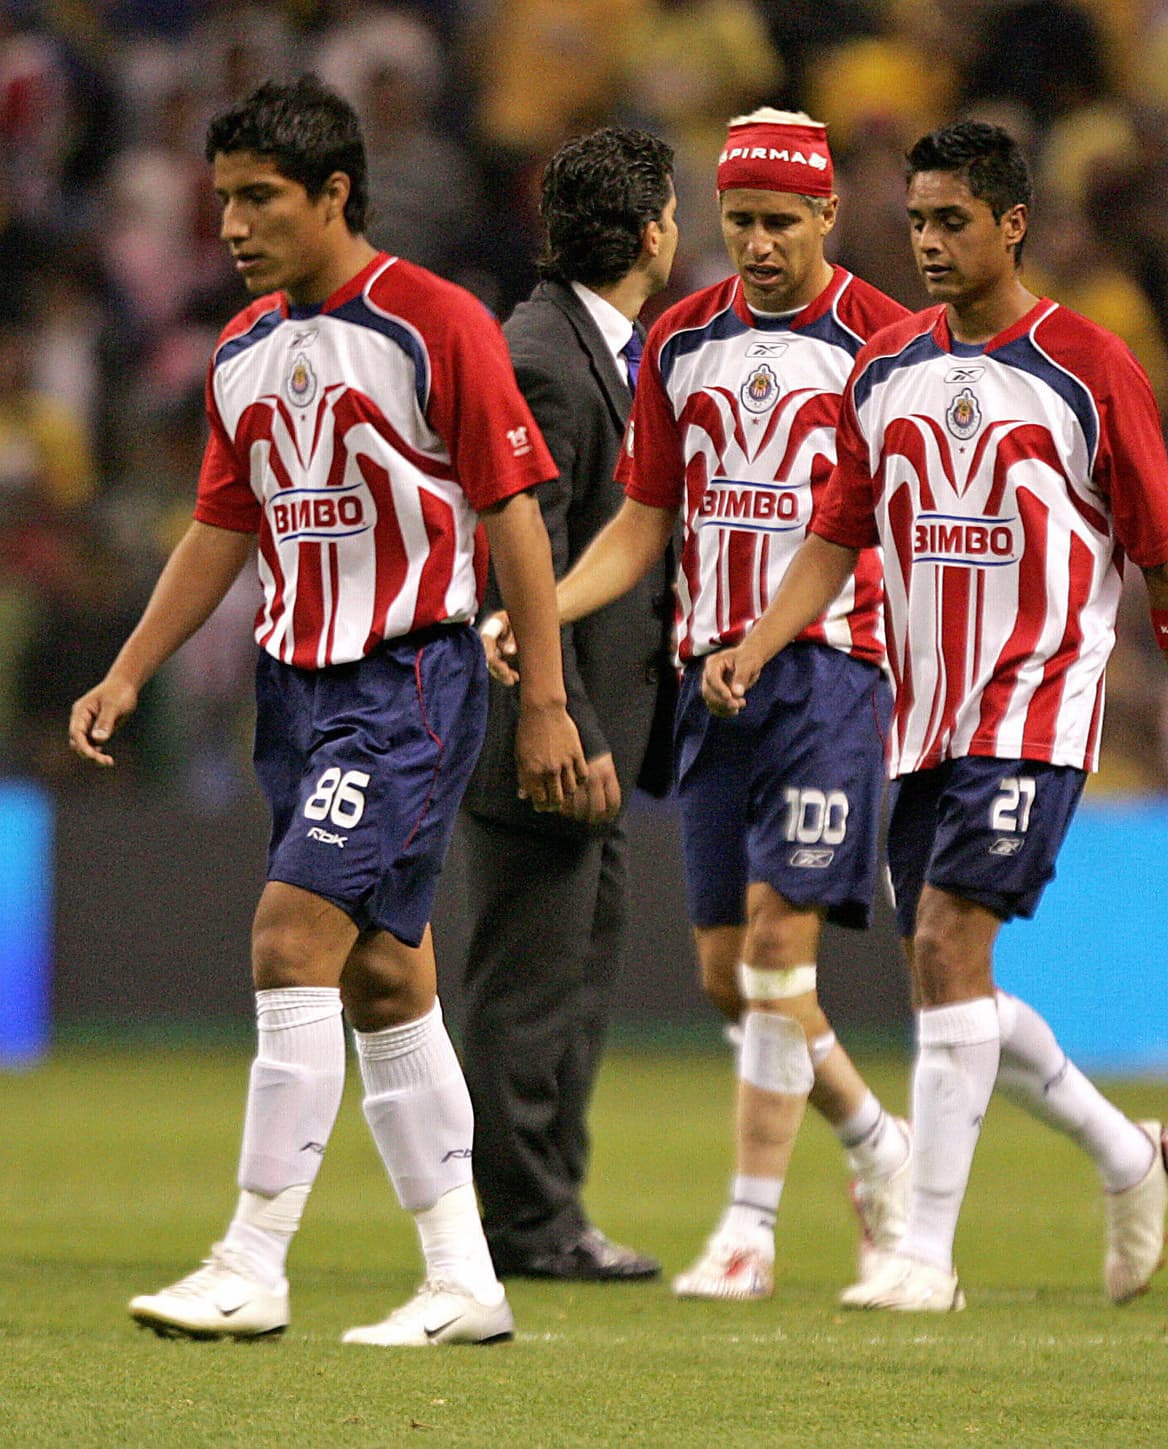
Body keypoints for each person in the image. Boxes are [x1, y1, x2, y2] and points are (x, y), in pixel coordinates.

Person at [68, 74, 587, 1345]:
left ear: (334, 194)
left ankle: (252, 1260)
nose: (233, 226)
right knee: (381, 977)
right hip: (295, 694)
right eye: (222, 200)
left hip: (404, 676)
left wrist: (547, 704)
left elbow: (510, 507)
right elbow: (220, 529)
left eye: (259, 200)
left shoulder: (432, 322)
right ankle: (463, 1280)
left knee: (289, 936)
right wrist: (131, 668)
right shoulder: (243, 351)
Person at [703, 118, 1168, 1311]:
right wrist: (753, 642)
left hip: (1037, 705)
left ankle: (921, 1255)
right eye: (916, 221)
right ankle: (1124, 1155)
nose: (931, 242)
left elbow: (1162, 565)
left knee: (950, 946)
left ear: (1012, 226)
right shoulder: (884, 369)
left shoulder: (1088, 365)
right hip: (920, 719)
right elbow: (834, 538)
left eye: (953, 221)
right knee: (950, 986)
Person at [497, 107, 917, 1303]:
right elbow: (640, 528)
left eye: (781, 222)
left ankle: (747, 1229)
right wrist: (540, 617)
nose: (758, 244)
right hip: (707, 683)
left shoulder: (886, 345)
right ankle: (875, 1141)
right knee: (729, 976)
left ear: (827, 215)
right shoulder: (677, 344)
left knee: (781, 948)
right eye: (737, 220)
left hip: (829, 671)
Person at [456, 126, 677, 1282]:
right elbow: (522, 557)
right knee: (524, 995)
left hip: (592, 727)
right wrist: (568, 724)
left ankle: (550, 1214)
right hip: (542, 733)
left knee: (566, 989)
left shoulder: (595, 349)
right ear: (651, 233)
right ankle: (524, 1228)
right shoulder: (542, 357)